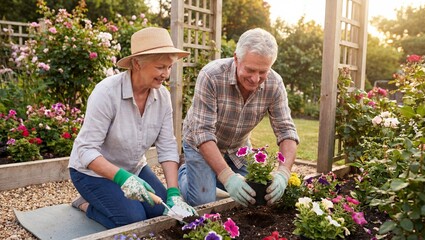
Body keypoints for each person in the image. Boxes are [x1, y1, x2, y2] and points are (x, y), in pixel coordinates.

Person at [68, 27, 196, 229]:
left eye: (169, 67)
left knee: (162, 210)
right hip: (91, 173)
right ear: (137, 63)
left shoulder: (162, 97)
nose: (166, 74)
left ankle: (113, 198)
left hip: (133, 168)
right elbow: (86, 150)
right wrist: (122, 178)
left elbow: (167, 145)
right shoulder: (107, 93)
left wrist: (173, 192)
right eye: (160, 67)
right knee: (134, 220)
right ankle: (85, 204)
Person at [178, 28, 300, 207]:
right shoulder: (211, 76)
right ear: (236, 58)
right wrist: (227, 177)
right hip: (200, 146)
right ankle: (185, 172)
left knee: (256, 194)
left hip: (238, 149)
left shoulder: (275, 83)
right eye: (250, 70)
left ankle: (209, 177)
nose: (255, 78)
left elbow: (286, 130)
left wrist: (283, 173)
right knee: (204, 202)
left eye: (263, 71)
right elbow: (202, 133)